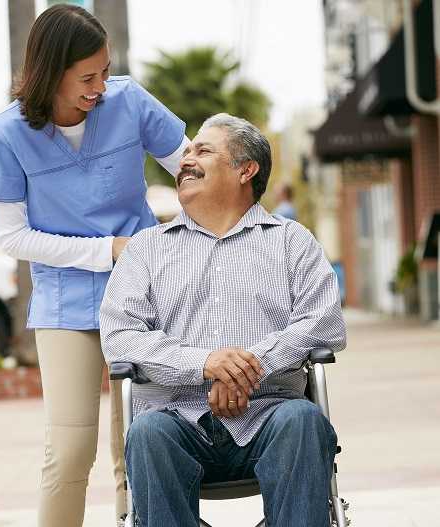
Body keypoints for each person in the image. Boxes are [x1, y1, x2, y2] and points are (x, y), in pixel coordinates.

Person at [0, 5, 189, 527]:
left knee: (137, 446)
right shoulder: (6, 134)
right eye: (87, 77)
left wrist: (195, 233)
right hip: (65, 303)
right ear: (51, 72)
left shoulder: (129, 101)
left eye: (105, 71)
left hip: (141, 294)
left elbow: (193, 170)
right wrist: (106, 250)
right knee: (70, 452)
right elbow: (12, 237)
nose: (100, 87)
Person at [100, 114, 346, 527]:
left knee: (303, 420)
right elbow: (121, 337)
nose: (186, 160)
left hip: (271, 414)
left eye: (203, 150)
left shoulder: (291, 242)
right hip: (176, 421)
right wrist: (205, 363)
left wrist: (248, 368)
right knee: (147, 433)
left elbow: (324, 324)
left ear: (245, 170)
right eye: (188, 152)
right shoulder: (145, 250)